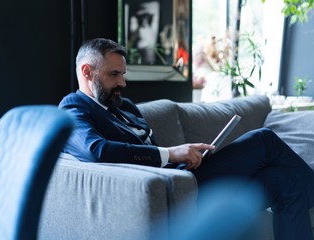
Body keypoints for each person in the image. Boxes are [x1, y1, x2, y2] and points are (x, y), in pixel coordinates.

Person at [59, 38, 314, 240]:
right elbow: (97, 150)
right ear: (87, 72)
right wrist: (172, 153)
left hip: (185, 175)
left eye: (123, 74)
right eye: (114, 74)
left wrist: (190, 157)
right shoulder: (74, 108)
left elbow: (148, 147)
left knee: (285, 181)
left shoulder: (125, 106)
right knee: (264, 140)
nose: (123, 82)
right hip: (167, 187)